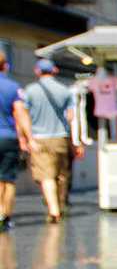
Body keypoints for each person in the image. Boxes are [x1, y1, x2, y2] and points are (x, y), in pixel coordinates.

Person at [24, 59, 80, 223]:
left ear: (37, 71)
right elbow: (71, 117)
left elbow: (24, 115)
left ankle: (53, 209)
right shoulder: (65, 90)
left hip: (39, 138)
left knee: (46, 175)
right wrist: (74, 141)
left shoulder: (30, 91)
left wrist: (27, 138)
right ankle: (60, 204)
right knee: (61, 175)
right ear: (54, 71)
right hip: (60, 137)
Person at [0, 51, 32, 231]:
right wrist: (29, 138)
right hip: (8, 138)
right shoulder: (13, 87)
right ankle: (5, 216)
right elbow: (20, 113)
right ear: (5, 66)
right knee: (8, 180)